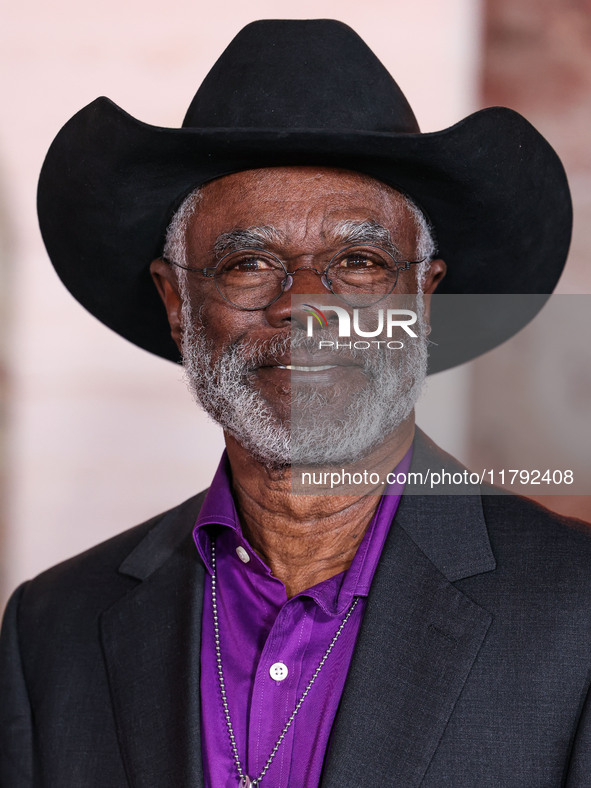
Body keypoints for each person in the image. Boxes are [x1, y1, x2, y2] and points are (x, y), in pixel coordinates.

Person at [1, 19, 590, 788]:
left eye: (358, 261)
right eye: (248, 262)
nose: (307, 307)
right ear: (177, 301)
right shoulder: (53, 631)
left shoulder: (577, 612)